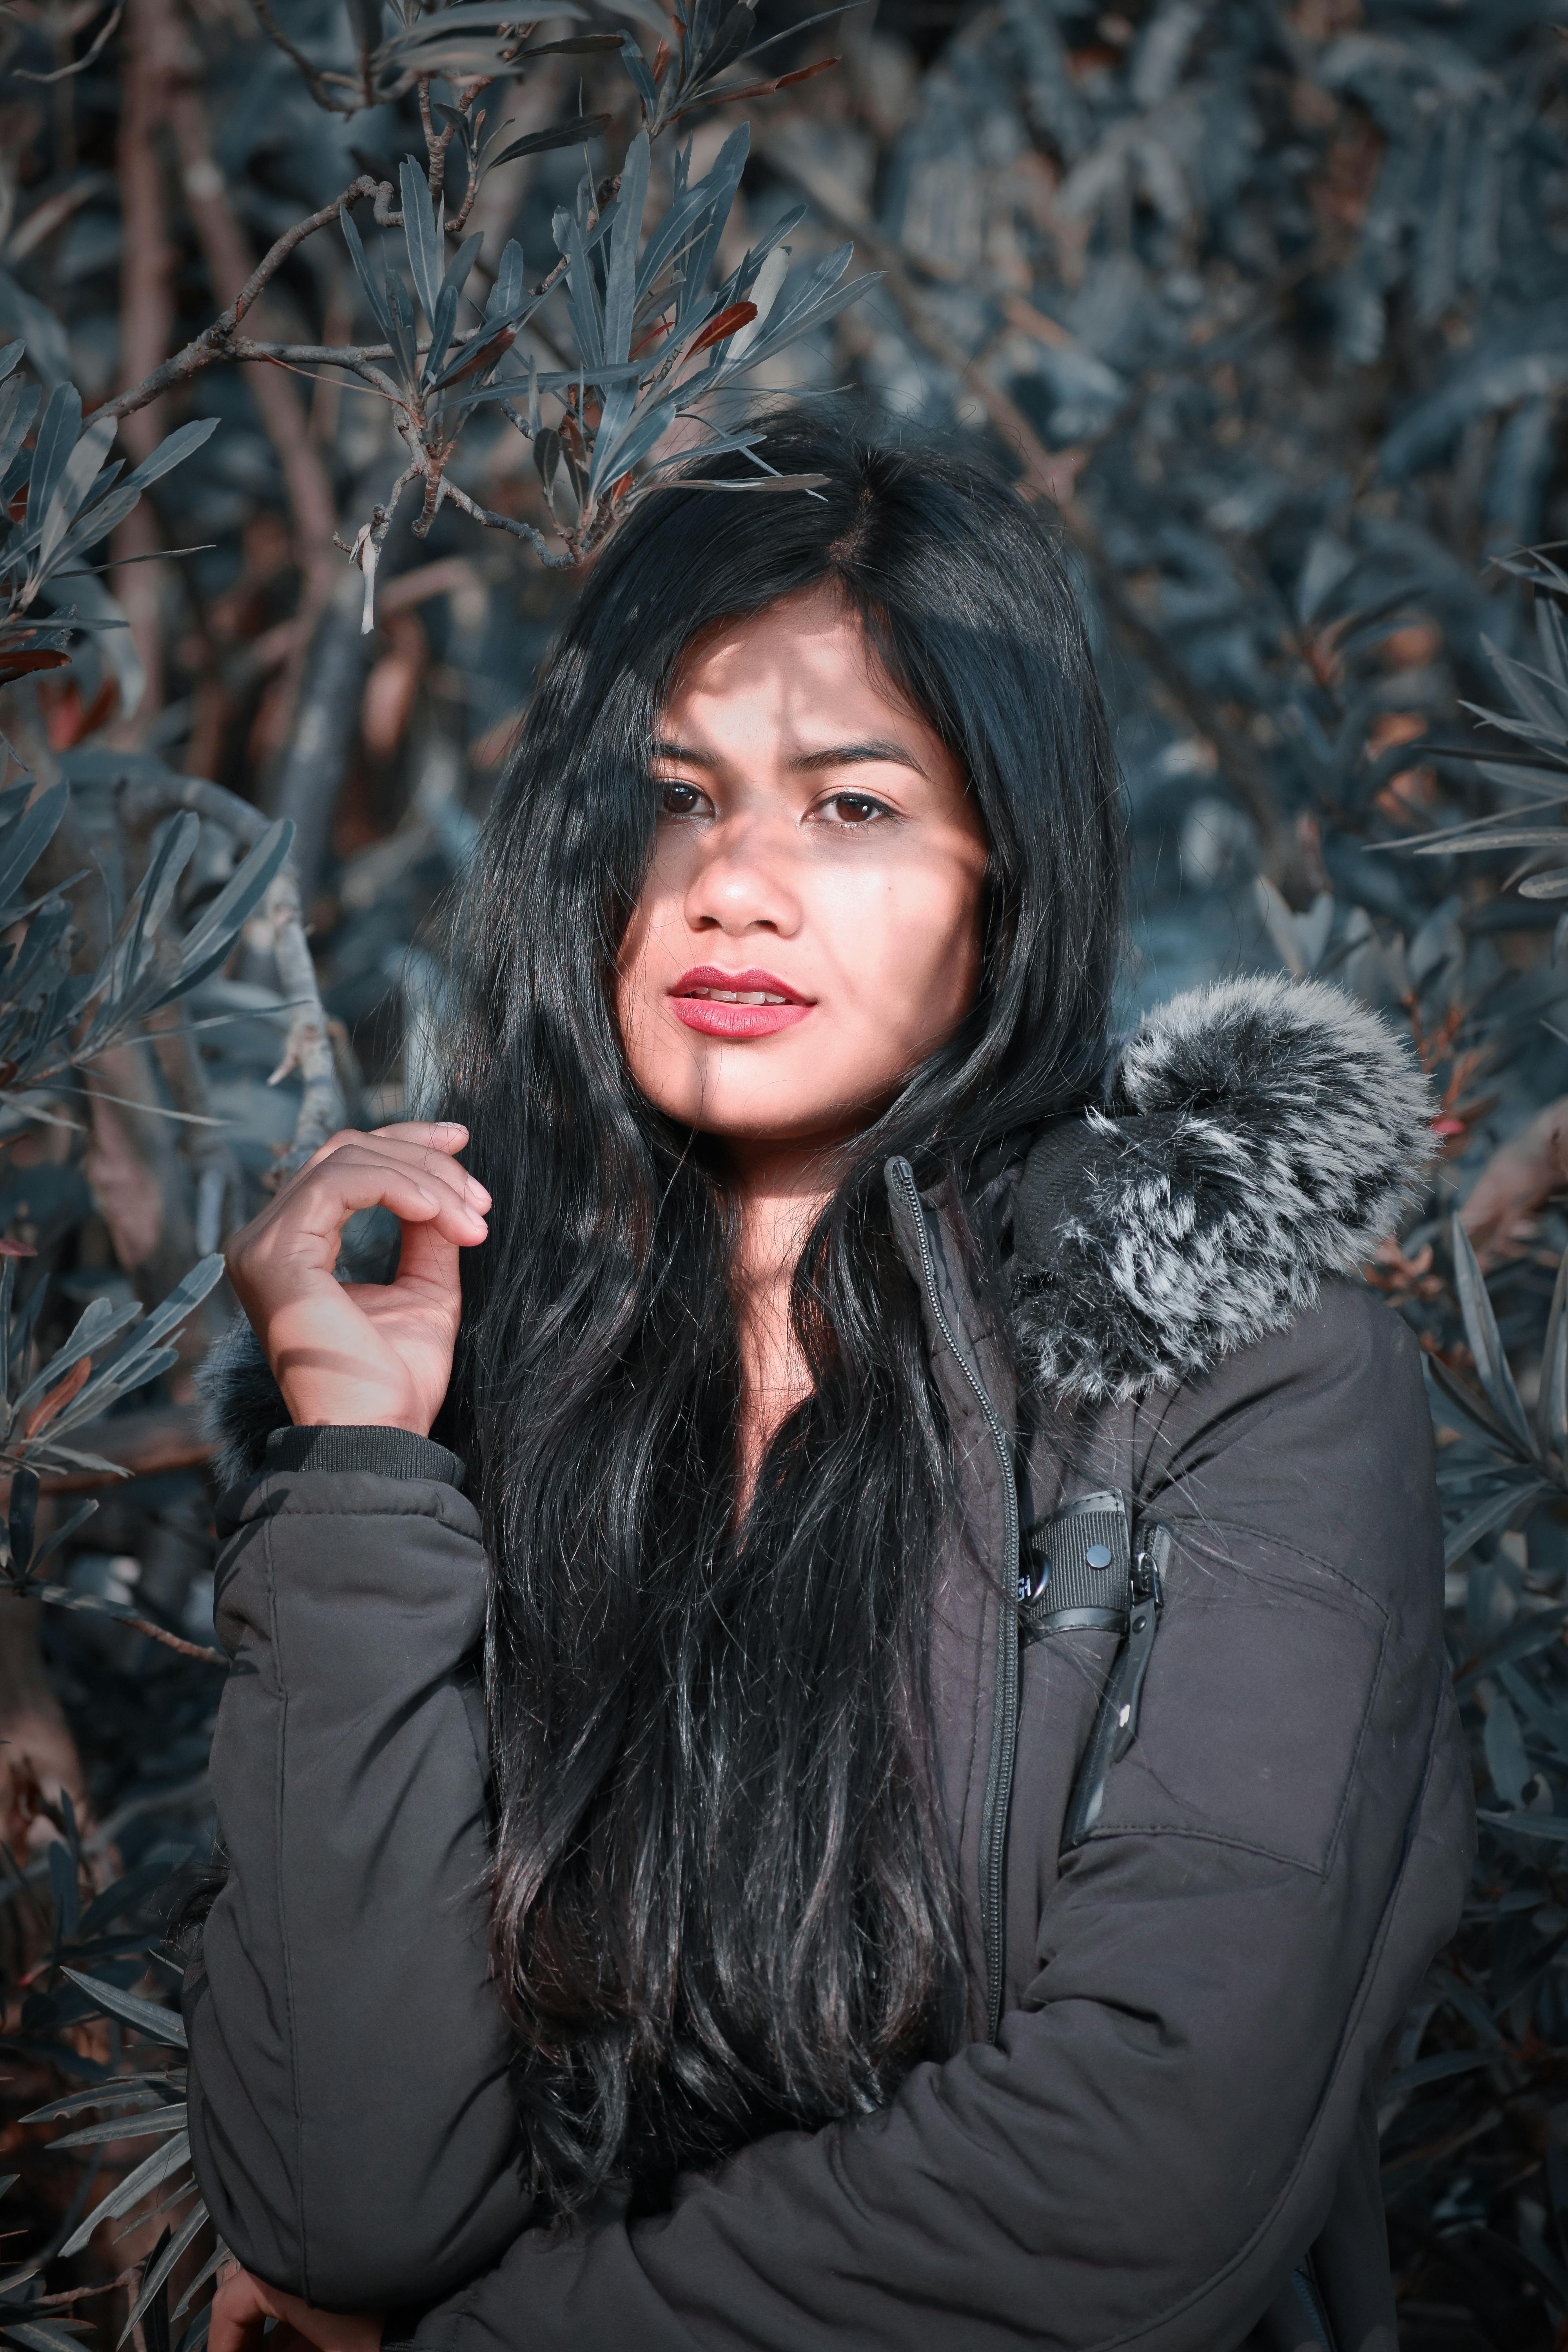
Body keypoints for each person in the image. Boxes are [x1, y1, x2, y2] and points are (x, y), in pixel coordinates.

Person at [189, 413, 1470, 2352]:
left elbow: (1141, 2165)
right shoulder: (472, 1394)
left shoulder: (1242, 1385)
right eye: (677, 795)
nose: (735, 886)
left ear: (1003, 883)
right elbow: (337, 2208)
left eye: (852, 808)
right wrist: (358, 1463)